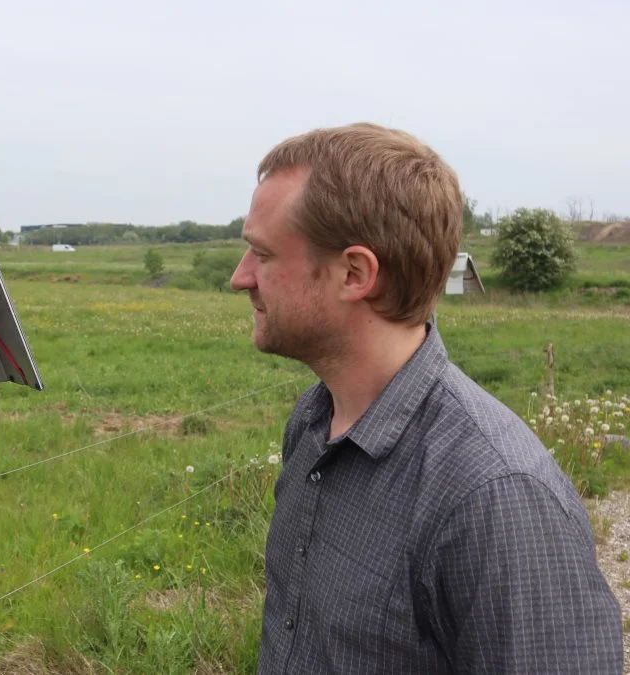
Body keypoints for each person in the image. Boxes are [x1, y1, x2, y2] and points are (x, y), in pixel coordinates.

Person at [229, 123, 622, 674]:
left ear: (354, 273)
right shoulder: (313, 420)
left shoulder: (497, 497)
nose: (239, 277)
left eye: (262, 254)